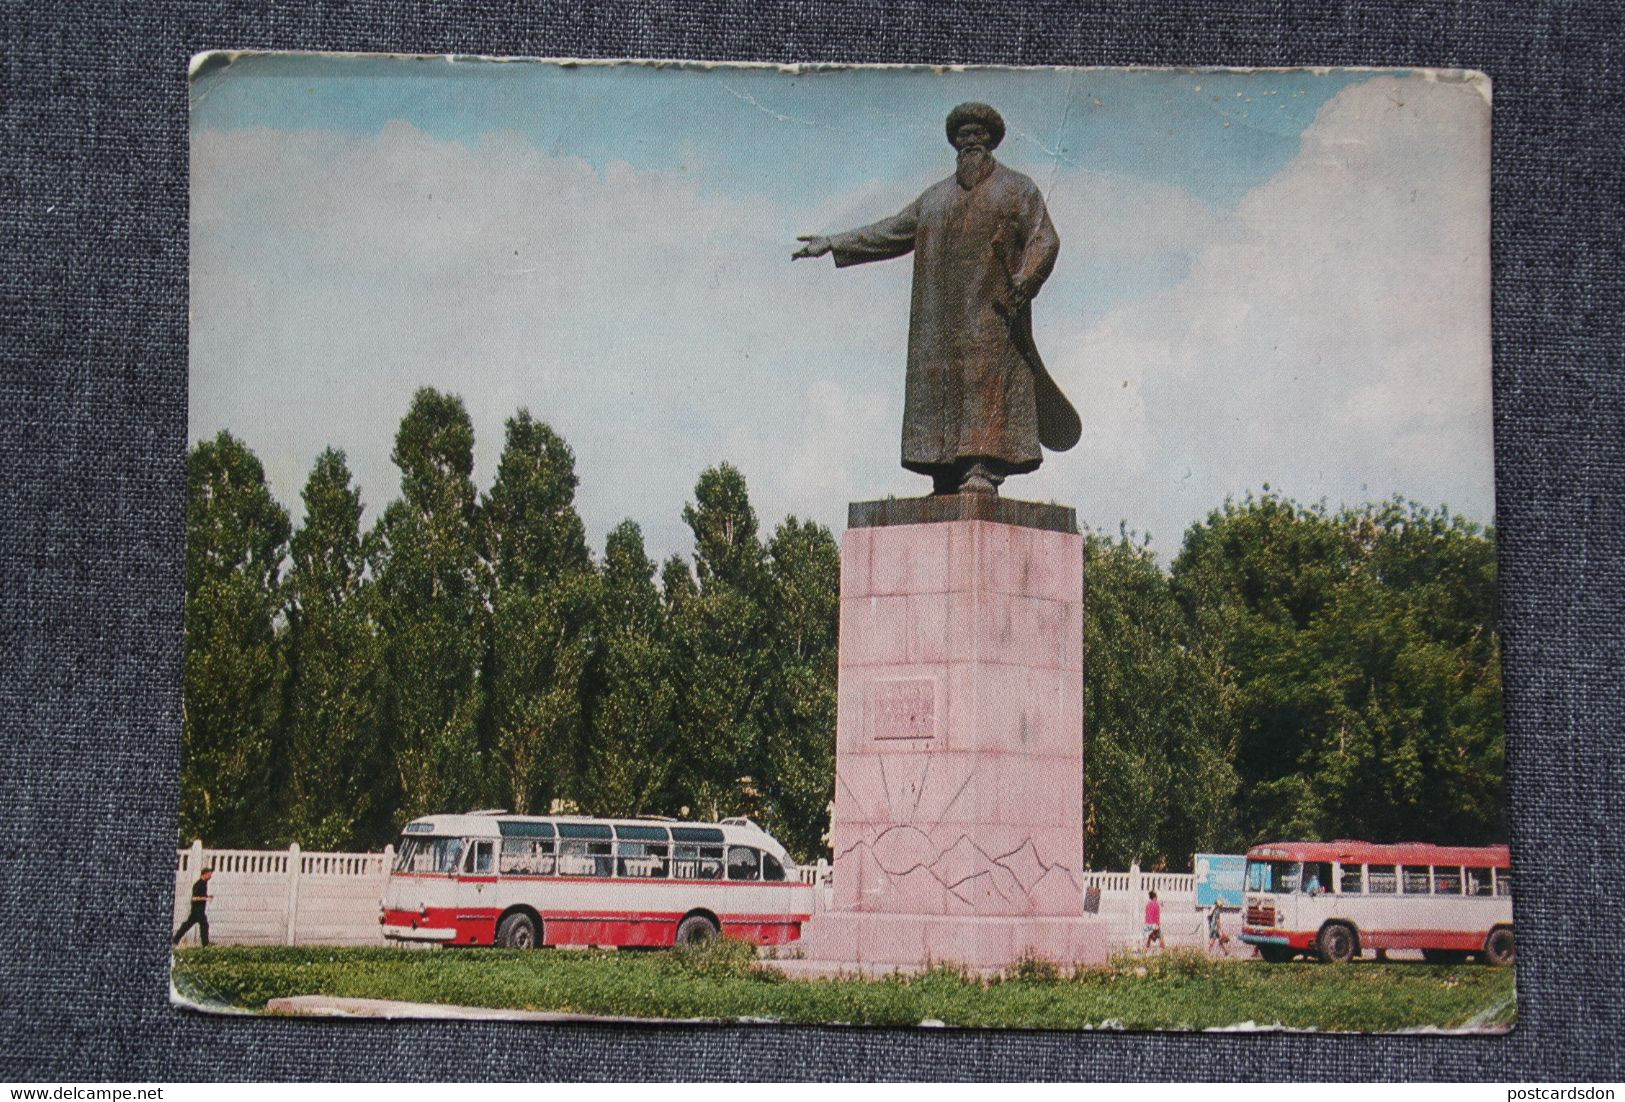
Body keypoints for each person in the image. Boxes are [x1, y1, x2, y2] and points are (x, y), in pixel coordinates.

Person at [793, 102, 1079, 496]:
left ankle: (980, 465)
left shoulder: (1018, 189)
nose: (970, 145)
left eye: (978, 137)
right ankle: (944, 472)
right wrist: (833, 242)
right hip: (939, 323)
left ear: (991, 143)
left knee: (985, 385)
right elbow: (892, 230)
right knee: (938, 392)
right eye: (963, 138)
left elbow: (1045, 238)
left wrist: (1025, 277)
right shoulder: (935, 199)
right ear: (955, 146)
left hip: (991, 314)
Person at [173, 866, 213, 947]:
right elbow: (194, 898)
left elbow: (200, 896)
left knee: (188, 925)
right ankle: (205, 944)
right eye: (209, 874)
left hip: (199, 911)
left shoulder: (204, 883)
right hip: (197, 910)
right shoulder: (199, 884)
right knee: (203, 925)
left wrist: (207, 896)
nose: (210, 877)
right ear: (204, 874)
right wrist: (206, 898)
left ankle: (175, 939)